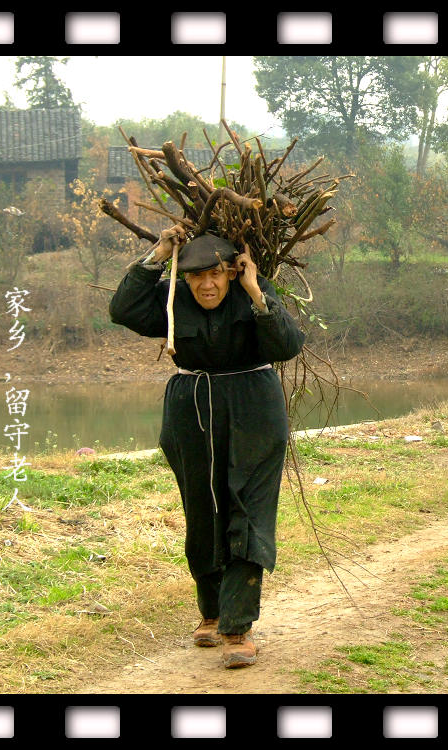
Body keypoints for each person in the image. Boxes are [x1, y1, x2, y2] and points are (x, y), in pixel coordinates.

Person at [109, 226, 305, 668]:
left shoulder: (252, 290)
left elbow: (288, 345)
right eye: (197, 276)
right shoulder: (172, 296)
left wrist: (256, 292)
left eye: (216, 274)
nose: (208, 285)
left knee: (247, 512)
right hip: (191, 411)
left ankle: (238, 627)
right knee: (203, 512)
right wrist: (157, 254)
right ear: (186, 277)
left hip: (253, 410)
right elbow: (121, 310)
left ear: (232, 272)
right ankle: (212, 613)